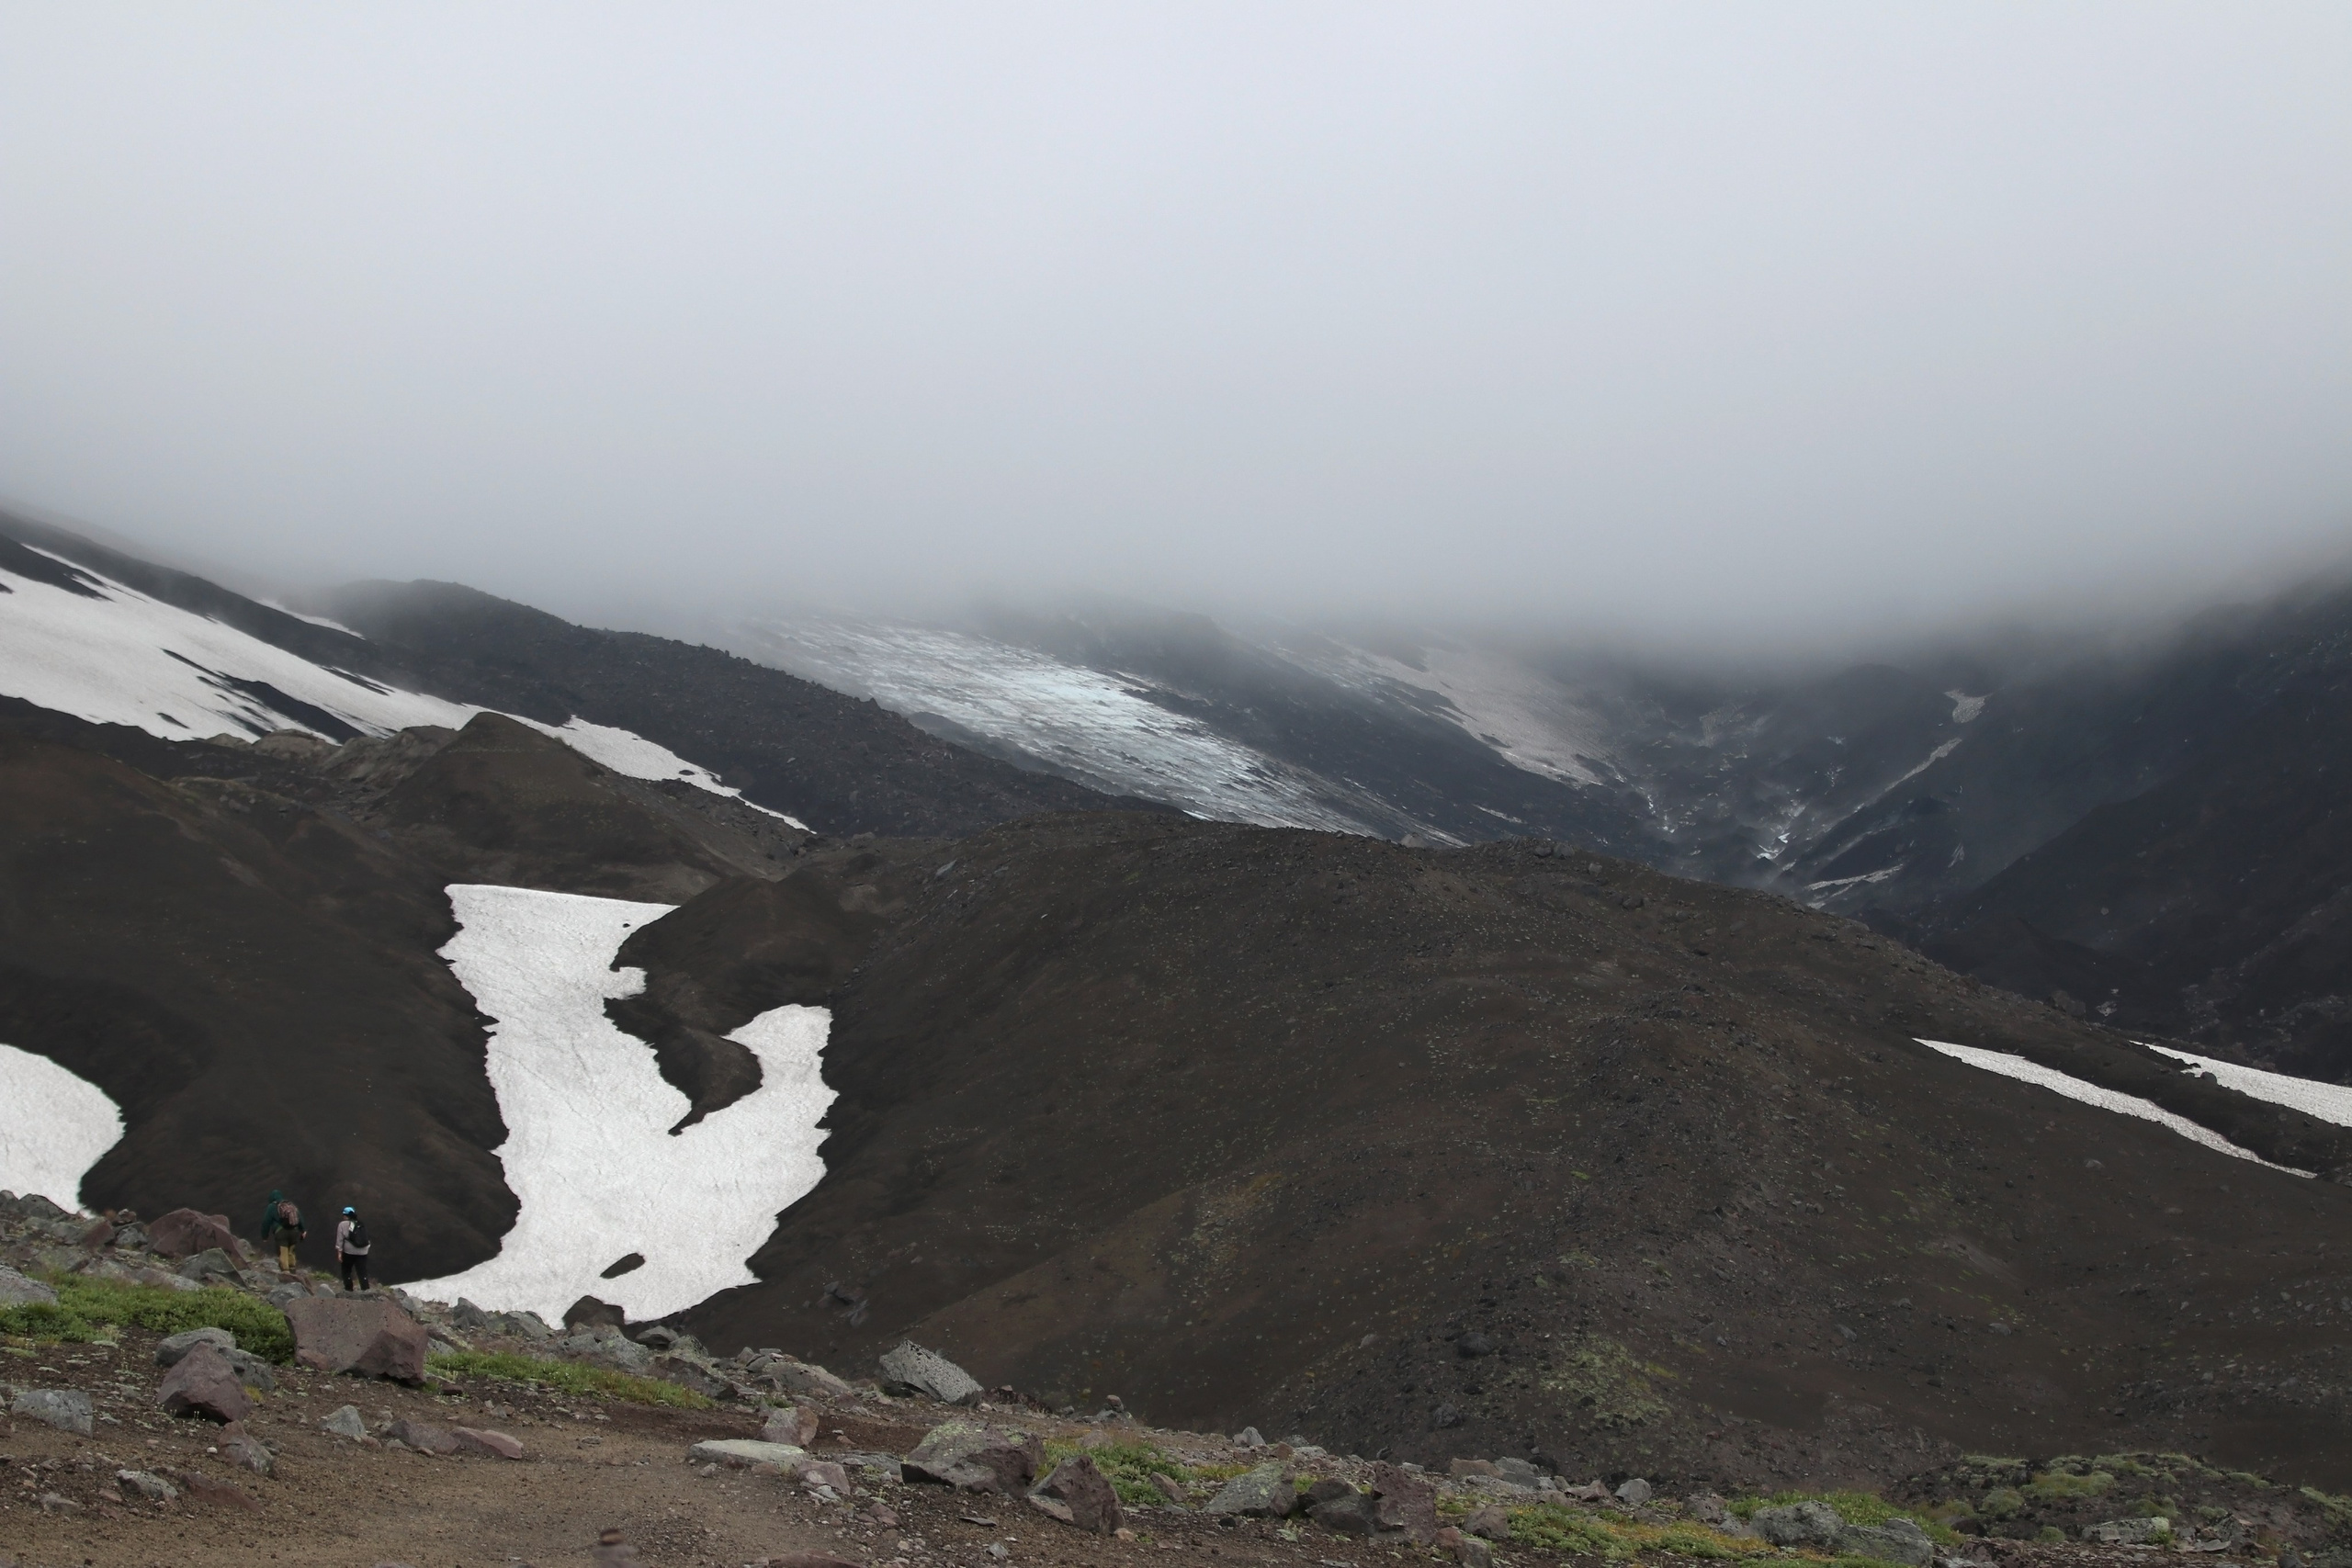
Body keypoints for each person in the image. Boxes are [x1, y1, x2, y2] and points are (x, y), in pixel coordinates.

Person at [261, 1190, 305, 1273]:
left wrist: (265, 1236)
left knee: (283, 1251)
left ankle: (286, 1272)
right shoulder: (290, 1205)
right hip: (294, 1231)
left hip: (281, 1232)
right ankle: (293, 1269)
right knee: (291, 1250)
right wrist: (303, 1230)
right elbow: (299, 1217)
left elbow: (266, 1222)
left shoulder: (271, 1207)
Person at [334, 1204, 372, 1292]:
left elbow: (339, 1240)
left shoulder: (342, 1224)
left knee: (346, 1270)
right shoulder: (360, 1224)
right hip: (363, 1251)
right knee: (362, 1272)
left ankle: (349, 1288)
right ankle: (366, 1289)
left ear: (344, 1215)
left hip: (349, 1252)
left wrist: (339, 1254)